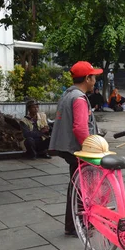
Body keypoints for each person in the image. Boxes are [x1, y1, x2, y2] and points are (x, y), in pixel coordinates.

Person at [49, 61, 102, 236]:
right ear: (87, 78)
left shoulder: (68, 94)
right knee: (82, 186)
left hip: (66, 146)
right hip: (77, 148)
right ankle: (80, 223)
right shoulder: (79, 98)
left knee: (76, 185)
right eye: (93, 77)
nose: (95, 80)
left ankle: (72, 224)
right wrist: (91, 148)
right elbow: (80, 128)